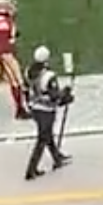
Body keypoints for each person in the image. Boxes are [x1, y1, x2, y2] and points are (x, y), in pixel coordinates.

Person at [24, 46, 72, 181]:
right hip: (46, 110)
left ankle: (57, 157)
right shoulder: (49, 75)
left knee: (47, 135)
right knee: (42, 139)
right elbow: (54, 96)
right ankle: (31, 170)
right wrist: (66, 95)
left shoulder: (28, 71)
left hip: (35, 108)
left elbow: (25, 89)